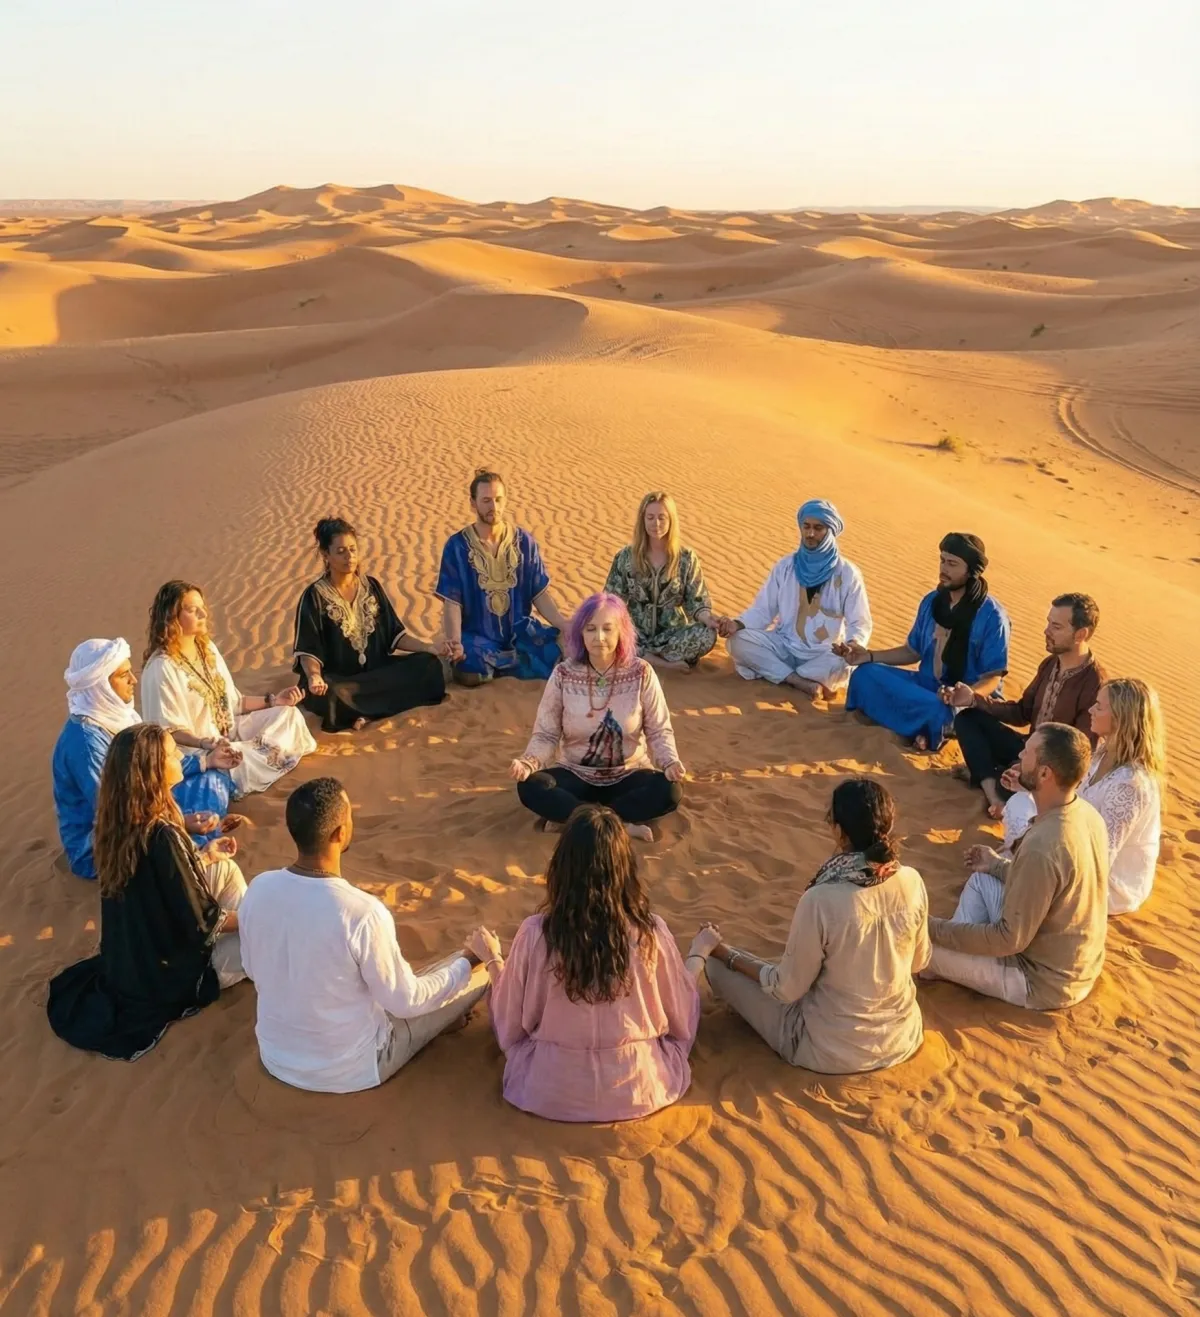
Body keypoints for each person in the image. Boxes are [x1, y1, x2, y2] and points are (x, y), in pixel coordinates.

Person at [238, 777, 489, 1093]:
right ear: (339, 833)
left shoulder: (258, 889)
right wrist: (470, 961)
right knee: (474, 970)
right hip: (350, 1068)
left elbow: (250, 967)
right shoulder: (361, 912)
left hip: (275, 1056)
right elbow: (406, 1002)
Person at [480, 804, 701, 1122]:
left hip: (550, 1091)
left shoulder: (536, 933)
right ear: (625, 868)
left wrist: (492, 960)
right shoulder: (650, 931)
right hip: (640, 1088)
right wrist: (697, 958)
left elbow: (509, 1023)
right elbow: (680, 1016)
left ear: (562, 867)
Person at [692, 779, 930, 1073]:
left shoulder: (820, 900)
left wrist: (726, 954)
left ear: (840, 833)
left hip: (828, 1050)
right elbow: (920, 961)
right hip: (901, 1038)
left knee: (717, 968)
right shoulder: (912, 880)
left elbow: (786, 989)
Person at [46, 724, 247, 1060]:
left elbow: (156, 885)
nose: (180, 756)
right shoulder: (162, 834)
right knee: (267, 936)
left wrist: (205, 855)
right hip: (168, 975)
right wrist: (262, 917)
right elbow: (204, 924)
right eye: (172, 753)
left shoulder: (122, 820)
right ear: (152, 769)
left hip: (136, 955)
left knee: (224, 869)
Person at [925, 722, 1109, 1009]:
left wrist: (932, 928)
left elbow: (1009, 939)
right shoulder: (1085, 814)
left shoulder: (1045, 845)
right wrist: (997, 866)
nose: (1020, 755)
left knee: (917, 946)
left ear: (1045, 773)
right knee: (981, 879)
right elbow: (1049, 888)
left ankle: (941, 960)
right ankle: (953, 957)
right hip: (1067, 956)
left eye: (1027, 753)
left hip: (1040, 979)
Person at [52, 637, 243, 879]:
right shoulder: (86, 744)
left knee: (213, 777)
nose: (133, 680)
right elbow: (119, 814)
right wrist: (179, 823)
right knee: (185, 840)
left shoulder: (118, 717)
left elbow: (155, 764)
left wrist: (207, 761)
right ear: (100, 686)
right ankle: (193, 854)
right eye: (123, 676)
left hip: (145, 811)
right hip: (103, 848)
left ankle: (192, 841)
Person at [510, 593, 685, 841]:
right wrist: (528, 763)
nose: (599, 637)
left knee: (669, 791)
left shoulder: (641, 672)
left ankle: (577, 820)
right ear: (581, 633)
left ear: (620, 632)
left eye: (607, 629)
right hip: (576, 774)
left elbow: (659, 730)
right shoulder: (563, 674)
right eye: (590, 629)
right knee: (531, 786)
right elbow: (546, 734)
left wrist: (670, 762)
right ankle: (618, 823)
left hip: (628, 774)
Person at [1004, 678, 1165, 916]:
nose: (1090, 710)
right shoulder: (1102, 753)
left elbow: (1100, 858)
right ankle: (1021, 859)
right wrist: (1032, 789)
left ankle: (1019, 862)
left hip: (1107, 885)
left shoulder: (1131, 785)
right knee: (1019, 803)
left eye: (1099, 707)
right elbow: (1074, 804)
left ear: (1121, 718)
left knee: (1024, 827)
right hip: (1076, 841)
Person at [140, 580, 316, 797]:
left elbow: (235, 703)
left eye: (202, 608)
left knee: (289, 715)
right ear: (171, 616)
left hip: (230, 733)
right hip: (198, 749)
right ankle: (249, 761)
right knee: (233, 756)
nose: (203, 615)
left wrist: (274, 701)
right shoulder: (162, 667)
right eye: (193, 610)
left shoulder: (207, 649)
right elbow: (167, 732)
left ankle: (252, 758)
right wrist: (204, 742)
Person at [840, 533, 1010, 750]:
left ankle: (925, 726)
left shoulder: (993, 617)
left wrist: (967, 695)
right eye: (942, 560)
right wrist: (869, 655)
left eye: (952, 564)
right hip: (926, 685)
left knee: (938, 709)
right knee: (864, 674)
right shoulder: (932, 602)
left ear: (971, 571)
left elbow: (993, 678)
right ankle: (922, 730)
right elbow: (913, 651)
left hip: (964, 700)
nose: (944, 569)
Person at [948, 593, 1104, 817]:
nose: (1046, 631)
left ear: (1081, 634)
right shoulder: (1050, 664)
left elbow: (1078, 752)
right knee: (967, 718)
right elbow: (1022, 712)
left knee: (1010, 783)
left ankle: (988, 780)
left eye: (1056, 626)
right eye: (1048, 623)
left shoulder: (1094, 683)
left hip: (1049, 770)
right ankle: (992, 790)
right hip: (1026, 748)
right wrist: (973, 698)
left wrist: (1027, 767)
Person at [292, 517, 448, 732]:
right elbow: (308, 650)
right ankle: (370, 709)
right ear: (326, 555)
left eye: (353, 550)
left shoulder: (371, 586)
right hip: (339, 679)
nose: (349, 557)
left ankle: (365, 711)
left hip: (376, 672)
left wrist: (429, 647)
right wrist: (314, 676)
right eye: (341, 551)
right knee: (334, 695)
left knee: (428, 665)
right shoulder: (314, 596)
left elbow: (396, 634)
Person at [722, 499, 872, 701]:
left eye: (818, 528)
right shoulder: (786, 566)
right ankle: (797, 680)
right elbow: (763, 610)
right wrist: (737, 624)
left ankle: (782, 673)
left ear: (830, 532)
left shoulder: (847, 574)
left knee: (846, 664)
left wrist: (852, 645)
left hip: (824, 653)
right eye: (806, 527)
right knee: (737, 641)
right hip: (784, 645)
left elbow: (859, 622)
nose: (810, 534)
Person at [436, 469, 569, 686]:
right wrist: (456, 641)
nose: (493, 507)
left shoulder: (524, 542)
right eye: (486, 500)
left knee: (557, 651)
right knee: (472, 670)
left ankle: (511, 663)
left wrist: (563, 624)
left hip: (518, 632)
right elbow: (452, 602)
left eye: (498, 499)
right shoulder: (457, 546)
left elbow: (539, 593)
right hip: (478, 635)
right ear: (473, 503)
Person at [603, 491, 726, 671]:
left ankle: (645, 658)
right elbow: (612, 601)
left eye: (662, 517)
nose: (656, 523)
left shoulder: (686, 559)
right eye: (650, 517)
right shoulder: (625, 557)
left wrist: (708, 618)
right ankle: (662, 663)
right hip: (636, 634)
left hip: (672, 635)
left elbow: (696, 601)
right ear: (642, 520)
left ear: (671, 521)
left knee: (707, 634)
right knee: (608, 632)